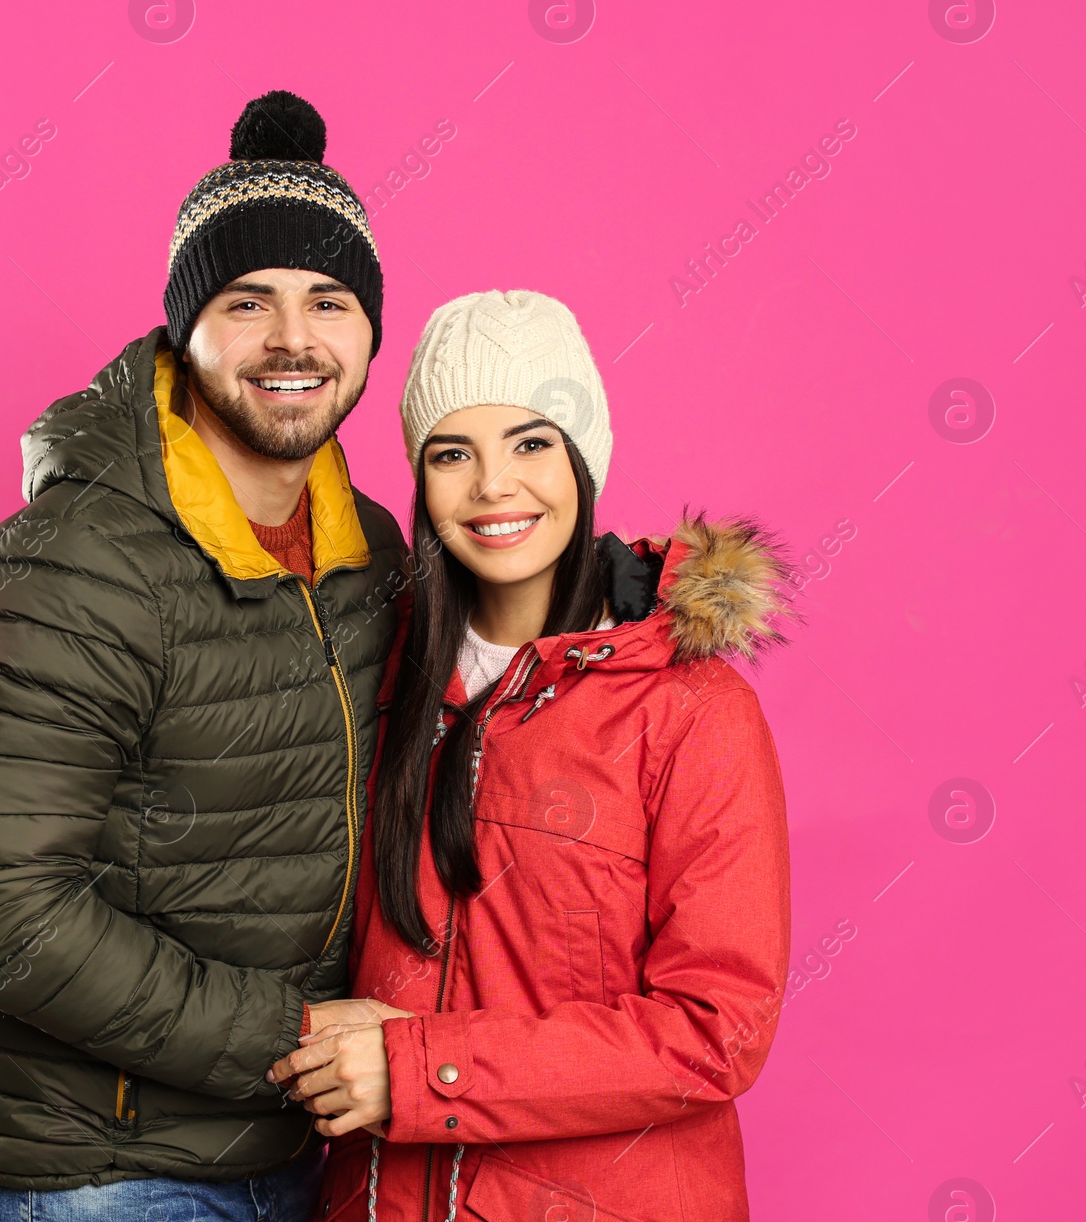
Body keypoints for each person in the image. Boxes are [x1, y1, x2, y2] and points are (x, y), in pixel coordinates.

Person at [0, 90, 410, 1220]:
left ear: (370, 330)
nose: (294, 339)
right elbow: (0, 914)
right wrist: (297, 1043)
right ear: (184, 326)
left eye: (328, 301)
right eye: (249, 302)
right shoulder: (65, 563)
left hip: (290, 1147)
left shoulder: (372, 553)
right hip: (105, 1169)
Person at [269, 290, 794, 1220]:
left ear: (583, 456)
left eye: (531, 443)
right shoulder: (380, 685)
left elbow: (718, 1030)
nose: (494, 486)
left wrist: (422, 1068)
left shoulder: (690, 709)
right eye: (451, 454)